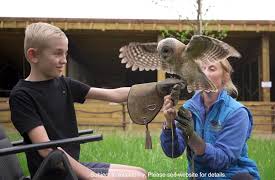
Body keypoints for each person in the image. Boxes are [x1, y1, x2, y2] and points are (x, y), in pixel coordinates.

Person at [8, 22, 180, 180]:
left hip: (72, 167)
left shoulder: (64, 84)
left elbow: (113, 94)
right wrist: (92, 176)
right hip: (54, 173)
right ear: (33, 55)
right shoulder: (22, 96)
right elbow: (47, 150)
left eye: (66, 53)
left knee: (141, 173)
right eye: (58, 53)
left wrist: (157, 88)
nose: (64, 60)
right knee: (137, 178)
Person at [160, 59, 260, 179]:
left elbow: (222, 160)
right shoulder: (188, 108)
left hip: (231, 175)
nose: (205, 74)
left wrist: (191, 136)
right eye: (201, 69)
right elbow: (173, 152)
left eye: (211, 69)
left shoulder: (237, 113)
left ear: (225, 77)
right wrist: (169, 125)